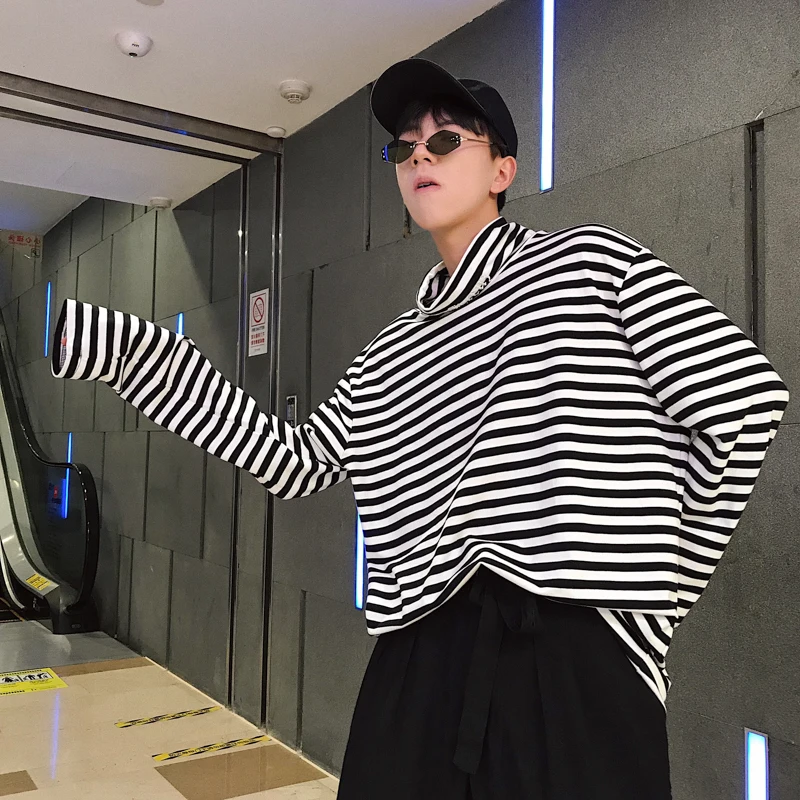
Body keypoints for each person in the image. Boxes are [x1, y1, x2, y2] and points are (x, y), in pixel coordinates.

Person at [50, 58, 789, 799]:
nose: (419, 158)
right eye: (404, 148)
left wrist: (653, 602)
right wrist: (136, 354)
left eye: (446, 141)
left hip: (573, 658)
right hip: (419, 657)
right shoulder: (392, 351)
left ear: (502, 169)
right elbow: (294, 460)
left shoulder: (592, 264)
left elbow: (746, 400)